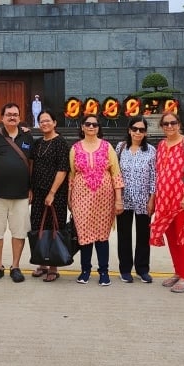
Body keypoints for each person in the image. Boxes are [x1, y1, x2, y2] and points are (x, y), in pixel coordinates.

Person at [68, 116, 124, 286]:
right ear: (82, 127)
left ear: (99, 128)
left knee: (101, 236)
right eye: (88, 124)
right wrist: (69, 198)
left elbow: (116, 173)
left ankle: (104, 272)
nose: (91, 127)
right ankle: (85, 270)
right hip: (81, 198)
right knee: (84, 234)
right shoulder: (75, 148)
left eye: (94, 124)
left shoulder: (107, 147)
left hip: (104, 199)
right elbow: (71, 174)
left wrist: (119, 199)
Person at [0, 102, 34, 283]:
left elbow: (32, 163)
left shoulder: (27, 137)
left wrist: (31, 188)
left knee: (19, 232)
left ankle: (16, 266)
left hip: (21, 195)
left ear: (20, 118)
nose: (12, 117)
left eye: (15, 114)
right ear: (2, 117)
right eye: (9, 114)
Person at [149, 111, 184, 293]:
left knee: (183, 237)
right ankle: (178, 272)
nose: (169, 126)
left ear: (179, 124)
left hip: (181, 200)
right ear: (162, 127)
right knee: (171, 238)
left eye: (173, 123)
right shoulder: (162, 145)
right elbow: (158, 173)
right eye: (166, 124)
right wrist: (154, 199)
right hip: (164, 200)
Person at [28, 109, 70, 282]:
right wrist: (30, 188)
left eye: (47, 120)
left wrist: (52, 192)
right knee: (39, 227)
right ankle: (41, 263)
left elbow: (63, 169)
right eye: (41, 121)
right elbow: (32, 166)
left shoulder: (60, 142)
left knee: (54, 227)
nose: (44, 123)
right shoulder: (37, 143)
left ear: (54, 123)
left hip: (56, 194)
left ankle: (53, 266)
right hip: (38, 192)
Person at [115, 116, 156, 284]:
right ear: (129, 130)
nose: (138, 132)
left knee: (143, 235)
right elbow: (116, 173)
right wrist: (116, 198)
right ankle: (125, 269)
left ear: (145, 133)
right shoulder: (120, 147)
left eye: (142, 130)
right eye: (135, 129)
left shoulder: (151, 151)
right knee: (124, 235)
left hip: (143, 200)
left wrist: (152, 199)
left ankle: (142, 269)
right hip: (124, 199)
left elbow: (155, 176)